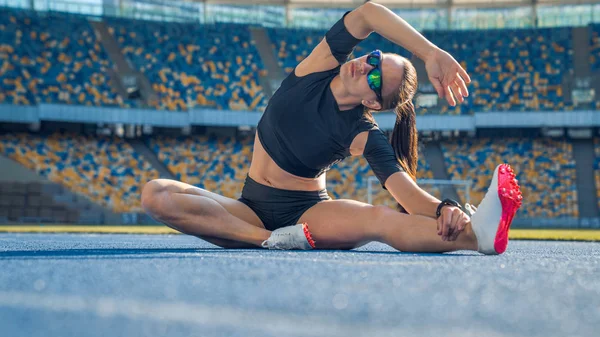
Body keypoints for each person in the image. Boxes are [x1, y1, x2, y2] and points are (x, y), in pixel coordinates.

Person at [141, 2, 522, 255]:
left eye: (375, 79)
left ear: (373, 103)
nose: (365, 66)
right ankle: (270, 242)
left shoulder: (362, 131)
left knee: (379, 220)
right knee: (156, 195)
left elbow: (407, 197)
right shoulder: (318, 66)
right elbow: (369, 12)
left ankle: (477, 237)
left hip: (307, 215)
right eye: (374, 58)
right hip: (250, 212)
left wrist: (445, 209)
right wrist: (431, 54)